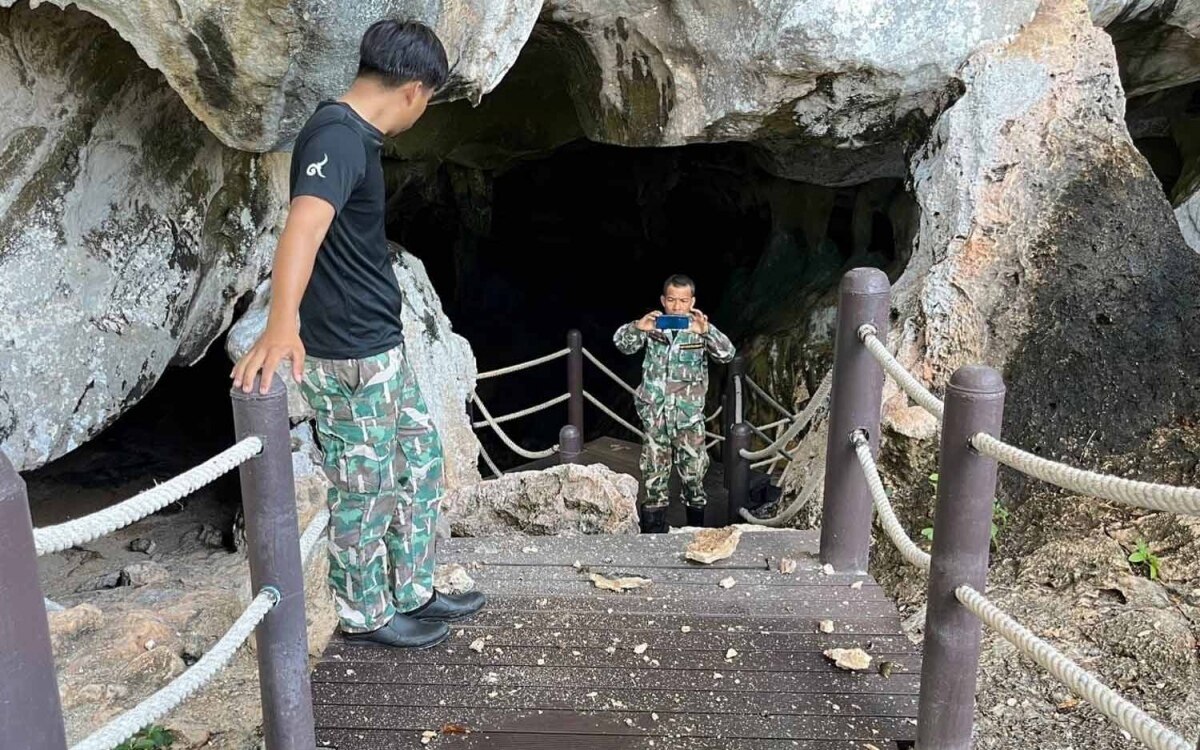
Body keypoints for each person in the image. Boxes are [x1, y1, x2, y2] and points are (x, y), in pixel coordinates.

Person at [231, 19, 484, 649]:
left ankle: (413, 589)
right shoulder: (339, 137)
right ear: (416, 91)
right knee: (363, 486)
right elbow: (302, 230)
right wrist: (281, 326)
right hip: (347, 353)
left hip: (380, 347)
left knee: (420, 464)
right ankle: (364, 612)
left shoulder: (354, 136)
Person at [613, 275, 735, 533]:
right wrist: (638, 326)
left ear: (692, 302)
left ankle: (695, 534)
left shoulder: (699, 329)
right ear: (662, 301)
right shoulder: (653, 326)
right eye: (671, 300)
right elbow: (621, 344)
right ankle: (653, 539)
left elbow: (727, 354)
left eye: (683, 300)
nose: (677, 307)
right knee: (654, 478)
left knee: (694, 478)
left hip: (688, 418)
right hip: (656, 416)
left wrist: (708, 331)